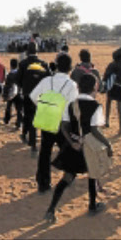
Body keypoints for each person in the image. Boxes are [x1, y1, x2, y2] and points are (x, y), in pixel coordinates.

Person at [43, 73, 113, 223]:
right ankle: (92, 205)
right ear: (94, 88)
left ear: (79, 87)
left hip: (74, 147)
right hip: (89, 147)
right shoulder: (96, 106)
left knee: (67, 178)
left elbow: (64, 126)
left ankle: (51, 209)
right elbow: (94, 130)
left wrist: (72, 142)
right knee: (93, 174)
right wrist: (107, 144)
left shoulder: (71, 105)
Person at [30, 53, 78, 193]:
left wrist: (44, 105)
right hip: (63, 123)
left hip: (47, 119)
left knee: (45, 151)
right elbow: (73, 106)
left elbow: (33, 96)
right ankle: (67, 178)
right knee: (66, 150)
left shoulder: (47, 81)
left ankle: (43, 183)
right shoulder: (71, 84)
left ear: (56, 66)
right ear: (70, 67)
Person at [16, 41, 50, 156]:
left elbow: (18, 79)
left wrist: (23, 87)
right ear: (37, 51)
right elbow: (49, 79)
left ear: (27, 51)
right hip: (41, 96)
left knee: (29, 117)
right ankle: (37, 142)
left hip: (28, 95)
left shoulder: (23, 64)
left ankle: (33, 145)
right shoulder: (43, 64)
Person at [103, 47, 121, 136]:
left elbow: (106, 75)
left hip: (113, 86)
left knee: (108, 102)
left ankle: (107, 121)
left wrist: (104, 84)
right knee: (120, 107)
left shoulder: (113, 64)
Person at [3, 59, 23, 130]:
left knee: (9, 106)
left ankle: (7, 119)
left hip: (11, 93)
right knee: (19, 109)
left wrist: (5, 94)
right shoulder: (20, 74)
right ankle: (19, 123)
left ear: (11, 66)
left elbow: (7, 86)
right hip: (19, 93)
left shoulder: (9, 75)